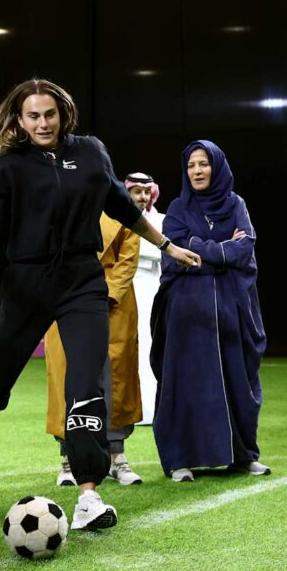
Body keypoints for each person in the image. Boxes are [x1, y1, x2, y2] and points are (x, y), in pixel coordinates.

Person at [0, 78, 199, 528]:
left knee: (87, 386)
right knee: (1, 363)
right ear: (20, 120)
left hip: (83, 281)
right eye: (33, 116)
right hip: (27, 281)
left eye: (50, 114)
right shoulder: (7, 165)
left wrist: (167, 246)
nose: (43, 123)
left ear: (63, 113)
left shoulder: (91, 151)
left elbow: (123, 206)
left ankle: (88, 495)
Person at [152, 139, 269, 482]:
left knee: (239, 380)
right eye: (191, 165)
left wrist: (204, 251)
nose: (197, 171)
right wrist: (221, 249)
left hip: (232, 311)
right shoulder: (176, 209)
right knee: (185, 382)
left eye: (203, 164)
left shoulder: (236, 205)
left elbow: (244, 249)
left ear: (216, 167)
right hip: (188, 315)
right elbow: (178, 248)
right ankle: (180, 460)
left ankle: (243, 456)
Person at [44, 206, 143, 487]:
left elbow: (128, 257)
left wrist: (108, 294)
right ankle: (68, 458)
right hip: (66, 299)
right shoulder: (56, 204)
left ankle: (116, 457)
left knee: (115, 382)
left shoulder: (120, 208)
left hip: (112, 303)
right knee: (67, 378)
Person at [127, 172, 162, 425]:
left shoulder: (162, 220)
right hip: (125, 289)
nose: (142, 197)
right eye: (136, 191)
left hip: (155, 288)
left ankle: (153, 409)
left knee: (153, 346)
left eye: (146, 191)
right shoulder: (113, 220)